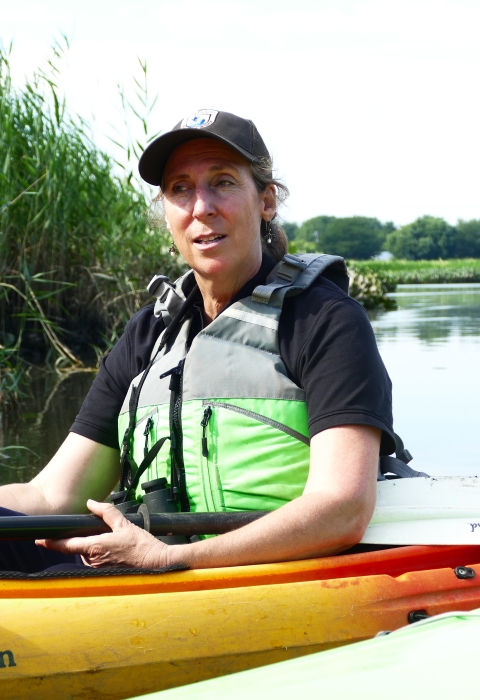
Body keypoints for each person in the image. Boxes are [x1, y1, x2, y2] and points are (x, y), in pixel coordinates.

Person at [0, 109, 395, 572]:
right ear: (167, 211)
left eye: (223, 182)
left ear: (266, 201)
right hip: (145, 566)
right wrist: (158, 556)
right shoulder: (149, 332)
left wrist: (175, 557)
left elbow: (342, 507)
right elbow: (53, 494)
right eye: (180, 189)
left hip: (263, 574)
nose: (201, 206)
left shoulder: (325, 320)